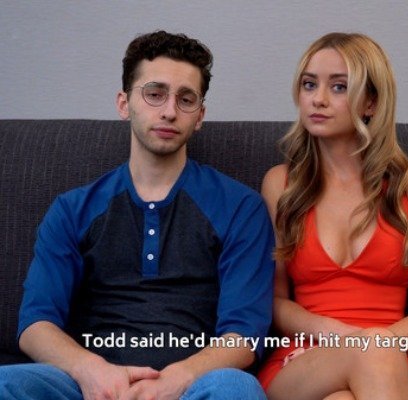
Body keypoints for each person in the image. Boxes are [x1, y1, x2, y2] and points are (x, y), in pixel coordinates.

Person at [0, 31, 274, 400]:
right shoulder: (72, 209)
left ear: (200, 116)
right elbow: (36, 324)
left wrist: (179, 378)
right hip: (86, 386)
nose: (170, 111)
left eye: (186, 99)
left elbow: (245, 335)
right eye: (155, 94)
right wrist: (91, 371)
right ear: (124, 103)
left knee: (237, 388)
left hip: (194, 386)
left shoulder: (241, 207)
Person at [257, 32, 408, 399]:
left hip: (394, 359)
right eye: (309, 84)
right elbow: (275, 302)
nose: (318, 99)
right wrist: (343, 338)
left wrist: (376, 343)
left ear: (371, 103)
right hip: (304, 359)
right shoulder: (281, 184)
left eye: (339, 87)